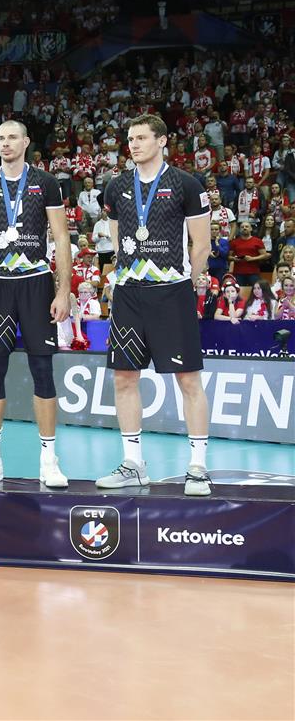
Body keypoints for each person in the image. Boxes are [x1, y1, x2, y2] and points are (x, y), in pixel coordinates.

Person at [97, 114, 213, 497]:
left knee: (188, 380)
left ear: (162, 140)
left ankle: (198, 467)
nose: (134, 144)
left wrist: (185, 282)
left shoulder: (186, 184)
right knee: (124, 378)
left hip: (172, 293)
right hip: (129, 294)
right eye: (130, 139)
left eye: (142, 138)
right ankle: (133, 464)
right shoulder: (116, 187)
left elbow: (202, 244)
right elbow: (118, 244)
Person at [0, 120, 72, 488]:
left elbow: (61, 237)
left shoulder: (46, 182)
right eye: (0, 138)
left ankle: (49, 460)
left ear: (26, 142)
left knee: (43, 369)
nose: (5, 143)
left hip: (36, 282)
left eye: (12, 137)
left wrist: (62, 291)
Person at [228, 222, 268, 286]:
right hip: (238, 273)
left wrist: (252, 258)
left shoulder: (258, 241)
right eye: (242, 227)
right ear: (239, 229)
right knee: (238, 290)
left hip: (253, 272)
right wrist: (234, 259)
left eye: (246, 226)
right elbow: (228, 256)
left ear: (251, 229)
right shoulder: (234, 242)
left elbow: (265, 255)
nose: (244, 228)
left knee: (256, 290)